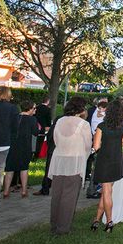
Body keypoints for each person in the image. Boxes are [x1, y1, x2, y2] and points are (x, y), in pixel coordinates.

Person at [48, 97, 92, 235]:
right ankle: (63, 228)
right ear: (81, 109)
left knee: (57, 194)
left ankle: (54, 224)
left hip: (59, 159)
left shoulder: (59, 120)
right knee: (69, 195)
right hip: (75, 161)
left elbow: (55, 139)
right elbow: (87, 145)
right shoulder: (83, 124)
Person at [91, 100, 123, 232]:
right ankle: (96, 220)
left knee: (107, 192)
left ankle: (109, 221)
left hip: (105, 160)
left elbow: (96, 146)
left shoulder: (102, 126)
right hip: (117, 160)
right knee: (106, 192)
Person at [2, 100, 39, 198]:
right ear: (30, 109)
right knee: (24, 168)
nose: (35, 111)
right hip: (25, 146)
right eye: (34, 108)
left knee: (9, 169)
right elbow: (36, 132)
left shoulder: (14, 117)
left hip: (12, 145)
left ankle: (6, 191)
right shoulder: (32, 120)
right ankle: (23, 190)